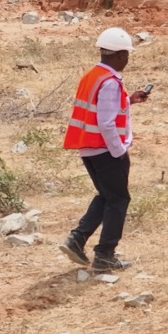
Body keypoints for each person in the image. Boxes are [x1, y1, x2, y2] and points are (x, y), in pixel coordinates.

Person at [60, 27, 151, 271]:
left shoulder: (92, 75)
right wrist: (119, 151)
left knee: (107, 196)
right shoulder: (110, 82)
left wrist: (129, 100)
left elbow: (101, 109)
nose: (127, 60)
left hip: (89, 148)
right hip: (106, 150)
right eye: (127, 55)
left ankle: (77, 239)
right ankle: (104, 254)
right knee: (119, 199)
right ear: (120, 55)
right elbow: (106, 122)